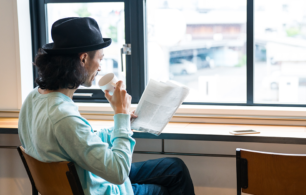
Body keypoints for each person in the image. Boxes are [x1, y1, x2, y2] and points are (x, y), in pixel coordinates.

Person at [18, 17, 195, 195]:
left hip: (86, 178)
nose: (100, 68)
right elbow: (118, 172)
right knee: (164, 188)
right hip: (100, 187)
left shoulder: (33, 98)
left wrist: (123, 124)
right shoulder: (63, 116)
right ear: (83, 59)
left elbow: (80, 141)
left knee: (175, 168)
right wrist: (120, 115)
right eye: (100, 59)